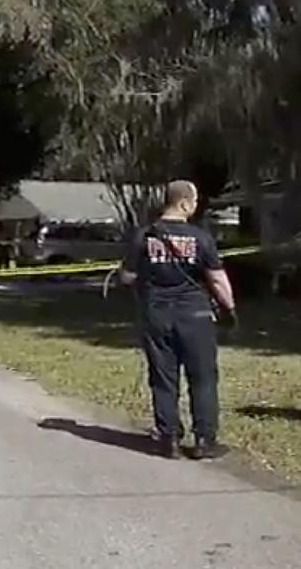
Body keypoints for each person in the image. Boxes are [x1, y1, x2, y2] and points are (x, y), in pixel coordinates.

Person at [120, 179, 237, 460]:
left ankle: (168, 437)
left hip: (157, 314)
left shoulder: (143, 236)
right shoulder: (201, 238)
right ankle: (204, 439)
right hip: (195, 314)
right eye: (194, 202)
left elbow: (127, 277)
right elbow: (218, 279)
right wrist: (229, 308)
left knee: (163, 377)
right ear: (184, 203)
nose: (195, 207)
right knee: (203, 377)